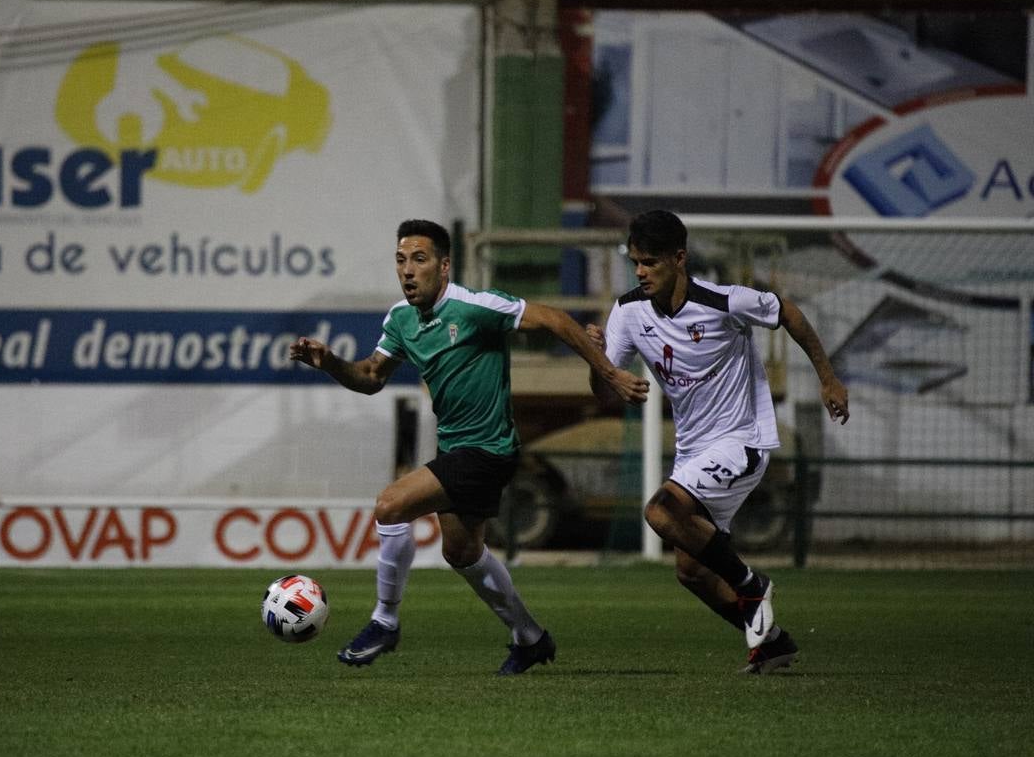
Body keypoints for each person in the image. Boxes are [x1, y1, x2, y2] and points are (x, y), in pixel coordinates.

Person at [289, 219, 649, 674]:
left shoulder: (475, 307)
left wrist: (611, 372)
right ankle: (530, 637)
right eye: (401, 260)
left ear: (444, 266)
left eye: (419, 260)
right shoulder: (401, 319)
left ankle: (385, 621)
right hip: (456, 449)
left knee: (390, 505)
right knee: (462, 553)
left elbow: (556, 320)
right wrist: (330, 363)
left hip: (489, 448)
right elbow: (370, 378)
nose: (407, 271)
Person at [587, 209, 849, 674]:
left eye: (650, 262)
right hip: (693, 451)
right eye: (635, 263)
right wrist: (598, 362)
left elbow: (786, 311)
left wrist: (828, 378)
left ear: (680, 258)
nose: (641, 272)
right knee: (690, 572)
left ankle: (751, 583)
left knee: (659, 511)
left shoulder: (722, 300)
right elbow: (602, 389)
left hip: (741, 440)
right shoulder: (628, 312)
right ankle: (772, 643)